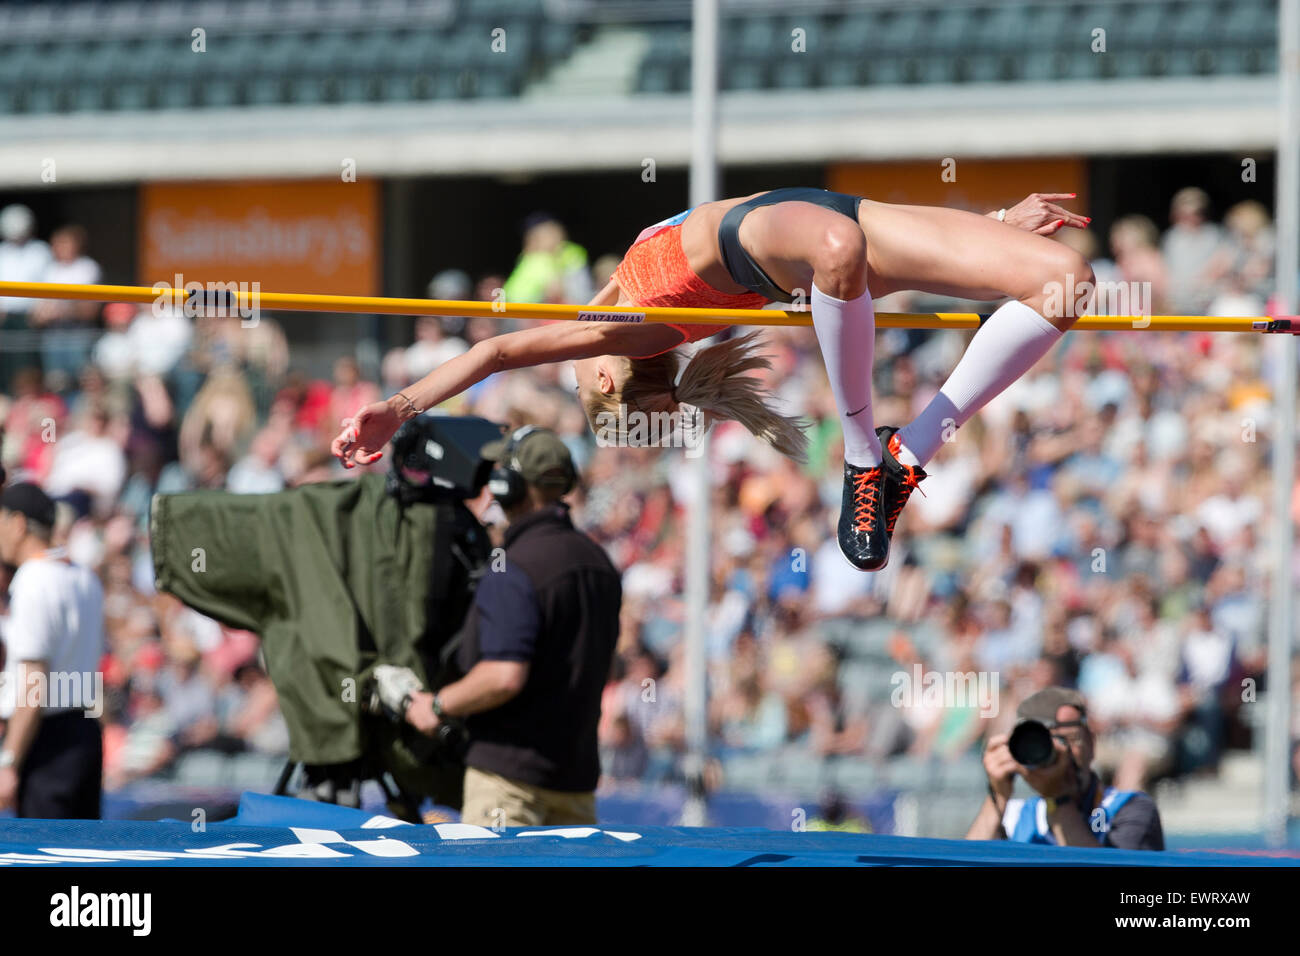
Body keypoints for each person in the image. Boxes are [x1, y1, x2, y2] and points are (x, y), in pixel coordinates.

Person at [334, 188, 1091, 573]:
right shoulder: (628, 328)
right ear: (614, 374)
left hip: (840, 220)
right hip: (784, 241)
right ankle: (866, 457)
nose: (576, 371)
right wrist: (397, 408)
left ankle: (906, 453)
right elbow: (494, 354)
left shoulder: (604, 302)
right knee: (836, 245)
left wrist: (988, 220)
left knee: (1069, 282)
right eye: (585, 382)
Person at [374, 426, 621, 826]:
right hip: (576, 784)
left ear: (509, 485)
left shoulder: (514, 565)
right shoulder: (599, 562)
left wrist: (435, 706)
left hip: (511, 785)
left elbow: (504, 675)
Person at [0, 483, 106, 819]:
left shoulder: (34, 579)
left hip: (47, 743)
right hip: (85, 731)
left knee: (44, 853)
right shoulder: (84, 576)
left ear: (17, 523)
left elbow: (34, 683)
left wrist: (9, 761)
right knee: (79, 852)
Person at [965, 687, 1165, 850]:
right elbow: (965, 864)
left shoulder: (1129, 808)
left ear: (1091, 742)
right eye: (1044, 744)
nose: (1061, 752)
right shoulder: (1015, 815)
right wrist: (998, 796)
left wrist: (1057, 798)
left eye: (1069, 739)